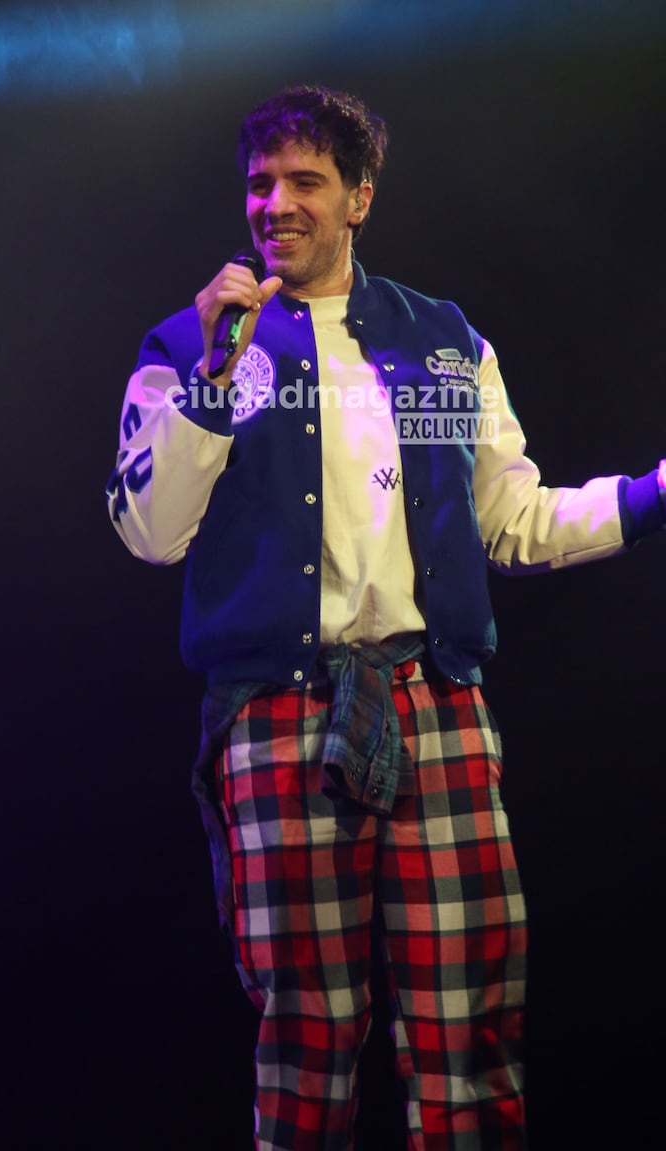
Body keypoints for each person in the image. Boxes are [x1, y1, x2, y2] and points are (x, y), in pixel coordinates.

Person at [106, 86, 666, 1151]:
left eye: (304, 181)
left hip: (433, 708)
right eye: (260, 183)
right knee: (307, 1041)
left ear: (358, 197)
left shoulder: (438, 342)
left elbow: (510, 518)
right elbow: (148, 533)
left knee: (467, 1031)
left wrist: (647, 494)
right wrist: (216, 382)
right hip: (277, 716)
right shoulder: (190, 341)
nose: (274, 204)